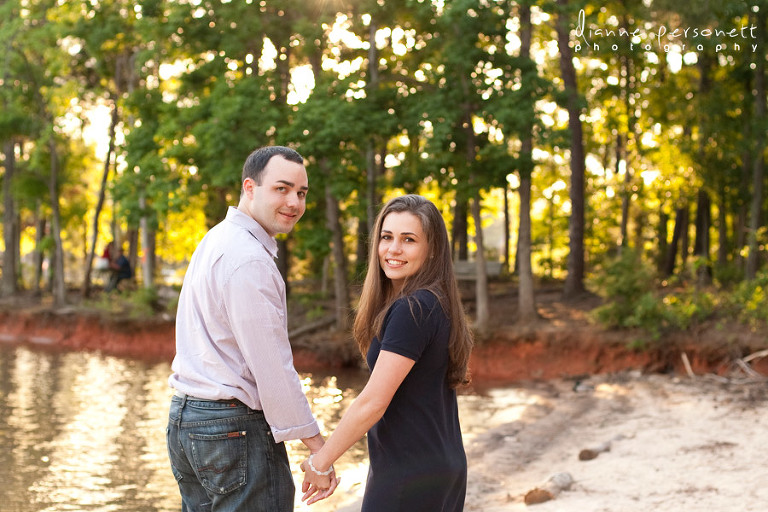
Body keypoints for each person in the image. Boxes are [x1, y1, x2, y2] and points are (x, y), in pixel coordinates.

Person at [166, 146, 338, 511]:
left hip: (186, 420)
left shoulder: (216, 239)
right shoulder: (248, 259)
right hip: (231, 427)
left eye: (301, 192)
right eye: (281, 189)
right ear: (250, 187)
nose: (294, 202)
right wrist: (319, 450)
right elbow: (272, 369)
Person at [301, 194, 474, 511]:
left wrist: (320, 461)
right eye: (386, 237)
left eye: (409, 239)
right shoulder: (435, 302)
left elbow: (373, 402)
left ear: (432, 249)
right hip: (442, 466)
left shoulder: (412, 309)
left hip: (409, 474)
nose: (393, 249)